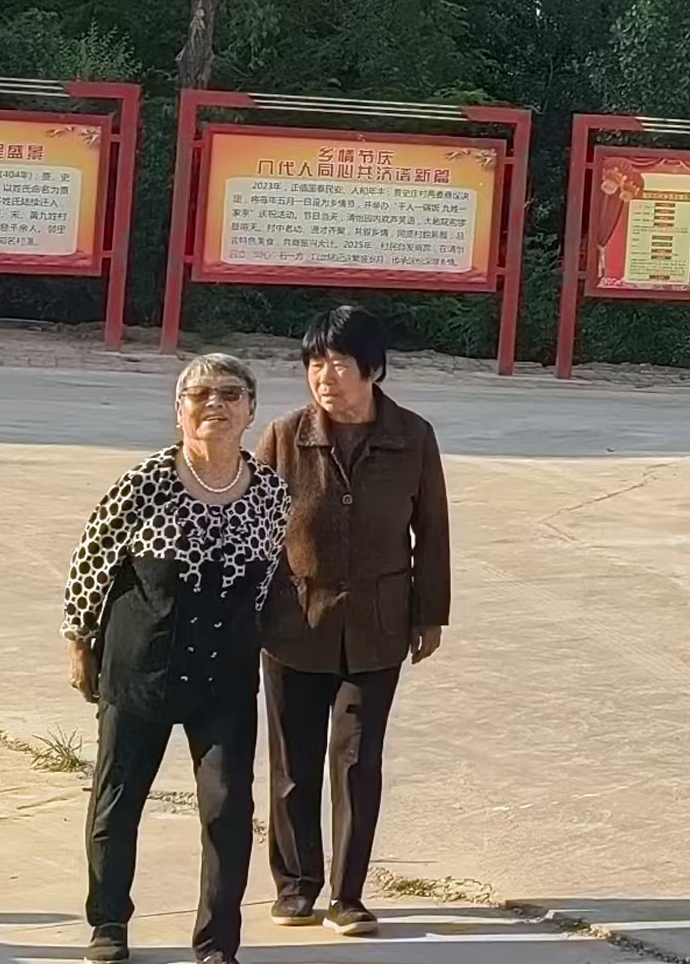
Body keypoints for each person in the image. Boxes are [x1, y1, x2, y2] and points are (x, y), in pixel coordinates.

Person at [64, 353, 291, 964]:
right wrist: (79, 641)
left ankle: (217, 941)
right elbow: (91, 562)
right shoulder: (144, 483)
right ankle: (108, 923)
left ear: (251, 410)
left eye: (230, 394)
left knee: (228, 806)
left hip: (225, 675)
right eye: (200, 394)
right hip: (141, 668)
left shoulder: (271, 493)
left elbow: (265, 579)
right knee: (118, 800)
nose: (215, 404)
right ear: (179, 410)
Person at [256, 305, 453, 936]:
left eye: (339, 364)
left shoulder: (413, 437)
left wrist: (430, 614)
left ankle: (347, 894)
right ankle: (295, 885)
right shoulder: (285, 436)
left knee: (357, 760)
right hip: (294, 623)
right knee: (293, 763)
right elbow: (253, 531)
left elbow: (433, 531)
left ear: (373, 369)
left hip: (377, 623)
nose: (325, 377)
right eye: (315, 364)